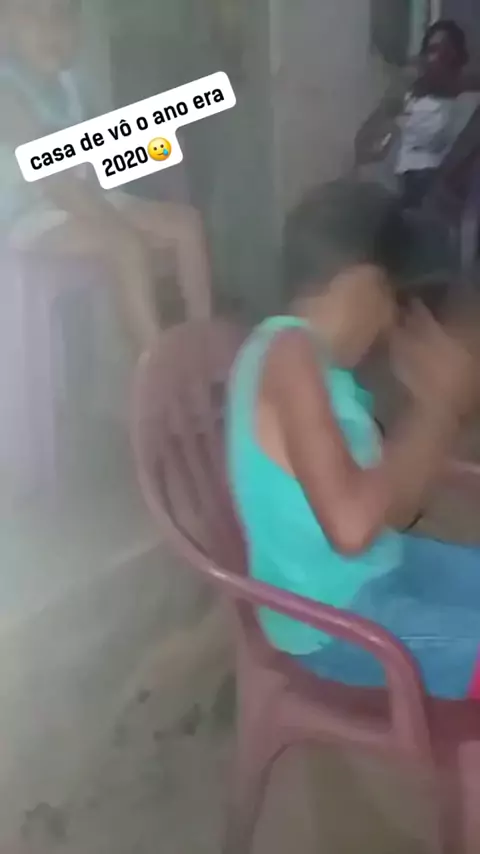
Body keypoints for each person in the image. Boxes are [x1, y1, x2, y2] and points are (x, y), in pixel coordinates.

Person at [226, 179, 480, 700]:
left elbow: (393, 512)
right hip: (333, 617)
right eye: (390, 295)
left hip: (380, 568)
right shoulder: (289, 352)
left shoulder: (330, 376)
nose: (389, 321)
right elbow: (350, 526)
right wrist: (437, 408)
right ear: (359, 282)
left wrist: (440, 413)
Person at [0, 0, 211, 352]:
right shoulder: (8, 93)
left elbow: (100, 157)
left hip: (83, 201)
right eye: (34, 15)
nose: (51, 29)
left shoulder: (73, 86)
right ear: (4, 25)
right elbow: (53, 180)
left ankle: (206, 352)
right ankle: (154, 364)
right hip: (29, 216)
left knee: (186, 225)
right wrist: (115, 221)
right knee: (126, 246)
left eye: (63, 15)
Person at [356, 19, 480, 210]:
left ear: (458, 57)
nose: (438, 58)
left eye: (446, 51)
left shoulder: (469, 104)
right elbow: (364, 142)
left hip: (431, 197)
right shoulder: (409, 100)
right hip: (390, 191)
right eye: (432, 50)